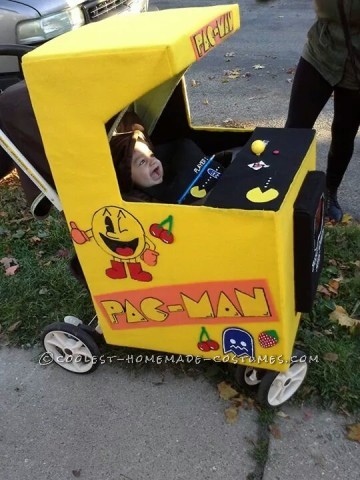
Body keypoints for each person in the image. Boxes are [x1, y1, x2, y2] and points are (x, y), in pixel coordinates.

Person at [285, 0, 360, 222]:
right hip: (321, 52)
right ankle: (286, 192)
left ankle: (330, 192)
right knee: (295, 130)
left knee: (344, 133)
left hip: (357, 67)